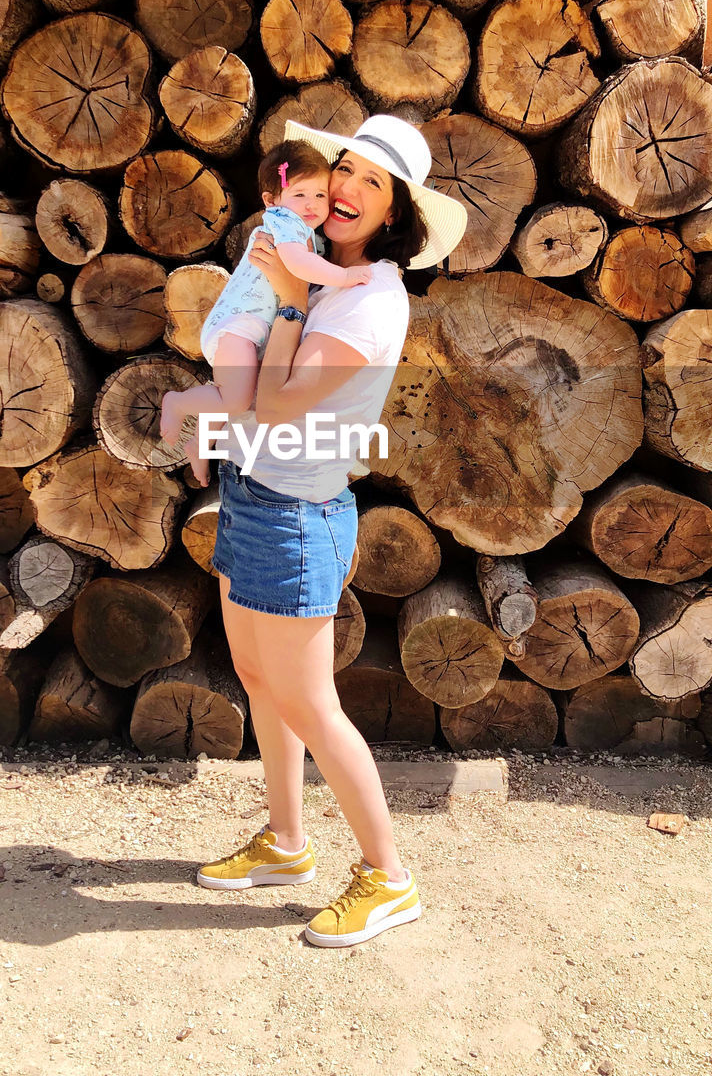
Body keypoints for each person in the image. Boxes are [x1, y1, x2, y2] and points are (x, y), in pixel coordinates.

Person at [193, 114, 467, 948]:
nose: (345, 186)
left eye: (371, 182)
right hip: (253, 490)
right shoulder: (314, 263)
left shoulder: (370, 304)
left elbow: (274, 402)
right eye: (343, 166)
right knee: (255, 673)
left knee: (311, 701)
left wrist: (280, 301)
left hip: (298, 515)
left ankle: (388, 878)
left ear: (393, 215)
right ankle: (285, 843)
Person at [159, 140, 371, 484]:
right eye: (299, 194)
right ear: (271, 201)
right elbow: (297, 263)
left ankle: (201, 443)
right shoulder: (284, 223)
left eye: (320, 195)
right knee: (238, 399)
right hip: (238, 328)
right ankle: (177, 402)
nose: (312, 204)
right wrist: (345, 276)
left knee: (228, 394)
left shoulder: (305, 233)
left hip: (250, 332)